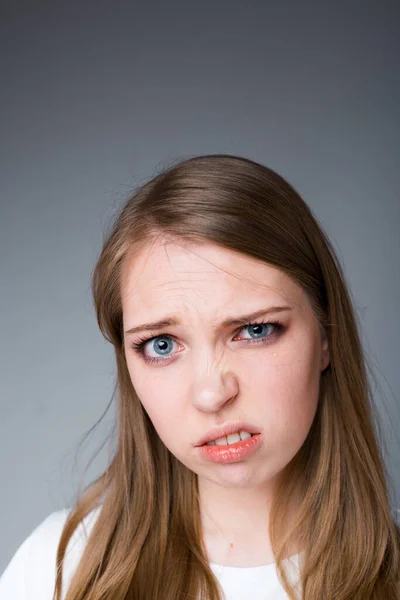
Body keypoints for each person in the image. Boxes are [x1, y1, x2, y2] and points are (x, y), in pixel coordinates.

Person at [0, 154, 399, 600]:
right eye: (162, 345)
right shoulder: (55, 571)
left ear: (325, 334)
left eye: (255, 330)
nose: (211, 394)